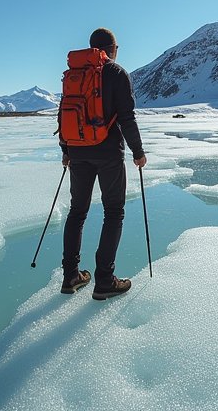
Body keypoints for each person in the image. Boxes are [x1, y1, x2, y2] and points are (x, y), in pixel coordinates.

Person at [59, 27, 147, 300]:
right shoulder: (116, 72)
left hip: (77, 150)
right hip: (108, 153)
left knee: (77, 212)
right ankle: (105, 281)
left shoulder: (75, 74)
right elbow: (126, 117)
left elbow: (64, 113)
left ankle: (71, 275)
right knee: (113, 212)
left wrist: (66, 149)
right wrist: (138, 151)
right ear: (112, 48)